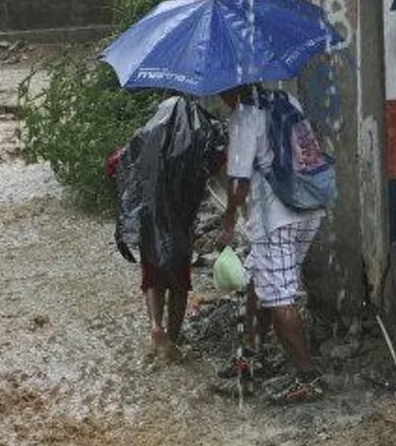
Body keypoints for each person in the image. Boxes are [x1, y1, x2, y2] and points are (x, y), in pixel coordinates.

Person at [216, 84, 326, 404]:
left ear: (231, 86)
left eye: (222, 91)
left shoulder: (244, 115)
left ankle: (308, 379)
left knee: (279, 297)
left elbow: (238, 180)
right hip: (308, 207)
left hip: (275, 218)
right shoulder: (285, 99)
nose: (220, 98)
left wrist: (227, 221)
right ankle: (251, 356)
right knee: (258, 279)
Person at [109, 97, 226, 356]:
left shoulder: (144, 139)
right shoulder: (195, 145)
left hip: (148, 222)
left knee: (152, 277)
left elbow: (114, 165)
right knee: (179, 282)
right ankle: (173, 338)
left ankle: (154, 327)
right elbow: (217, 162)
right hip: (180, 225)